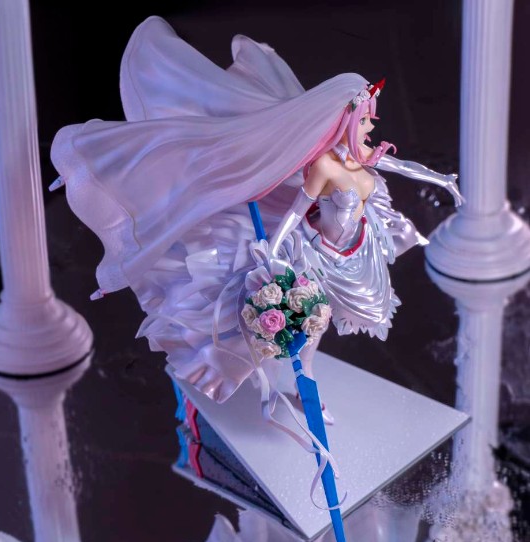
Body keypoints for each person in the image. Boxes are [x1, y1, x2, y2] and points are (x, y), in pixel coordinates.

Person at [51, 16, 462, 406]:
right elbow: (297, 209)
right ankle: (303, 384)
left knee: (327, 320)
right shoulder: (323, 165)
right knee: (312, 322)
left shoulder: (360, 156)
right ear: (348, 120)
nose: (371, 129)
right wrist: (275, 247)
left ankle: (303, 381)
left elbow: (402, 166)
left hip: (358, 253)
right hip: (320, 254)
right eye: (366, 121)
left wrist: (443, 180)